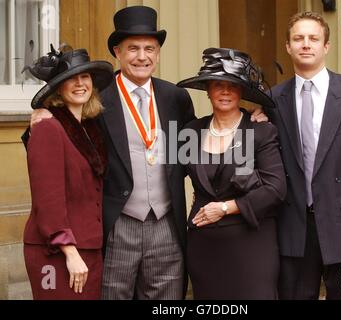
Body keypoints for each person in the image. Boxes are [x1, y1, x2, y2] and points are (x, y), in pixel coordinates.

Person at [27, 6, 266, 300]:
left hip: (167, 224)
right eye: (133, 48)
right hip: (118, 225)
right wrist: (41, 115)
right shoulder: (96, 98)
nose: (142, 56)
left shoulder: (176, 97)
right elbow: (62, 142)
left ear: (158, 52)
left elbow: (205, 144)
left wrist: (253, 116)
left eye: (150, 48)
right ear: (117, 51)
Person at [266, 12, 341, 299]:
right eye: (298, 38)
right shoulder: (273, 100)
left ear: (326, 46)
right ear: (288, 46)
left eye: (313, 38)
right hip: (295, 229)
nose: (306, 44)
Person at [176, 48, 287, 299]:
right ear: (207, 90)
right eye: (218, 85)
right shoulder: (190, 132)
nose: (225, 91)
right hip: (204, 248)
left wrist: (226, 207)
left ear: (242, 91)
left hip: (251, 246)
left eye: (232, 85)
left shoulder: (261, 132)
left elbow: (276, 189)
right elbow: (168, 177)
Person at [22, 45, 113, 299]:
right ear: (57, 87)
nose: (80, 83)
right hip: (57, 251)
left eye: (85, 77)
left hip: (88, 248)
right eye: (71, 79)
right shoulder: (48, 126)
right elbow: (47, 198)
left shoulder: (88, 127)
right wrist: (70, 252)